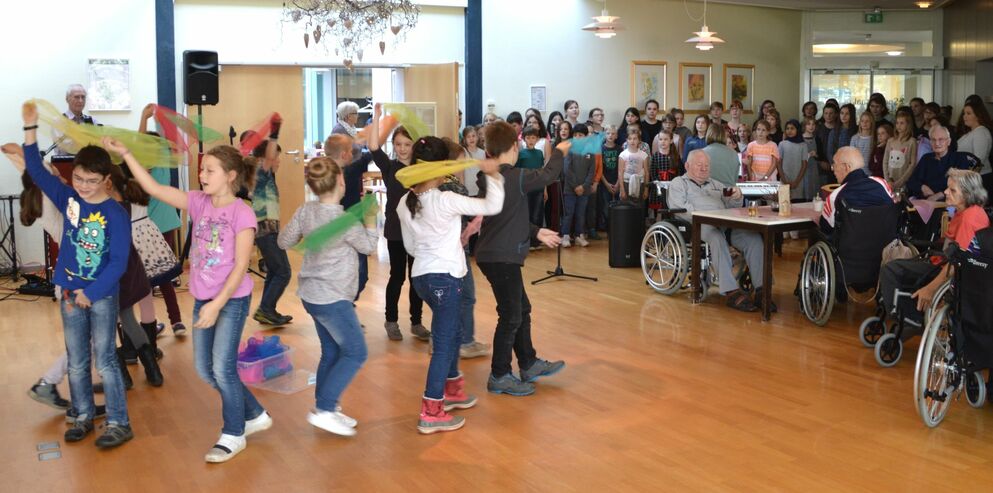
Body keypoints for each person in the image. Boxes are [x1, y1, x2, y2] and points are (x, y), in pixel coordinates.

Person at [120, 140, 272, 463]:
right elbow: (154, 188)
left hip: (231, 300)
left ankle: (234, 432)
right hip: (205, 300)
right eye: (202, 169)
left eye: (209, 170)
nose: (202, 175)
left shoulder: (241, 213)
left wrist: (217, 305)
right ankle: (255, 412)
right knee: (205, 370)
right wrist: (126, 154)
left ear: (230, 175)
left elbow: (241, 265)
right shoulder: (199, 202)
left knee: (223, 367)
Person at [22, 103, 133, 448]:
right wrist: (30, 130)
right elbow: (37, 173)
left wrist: (94, 290)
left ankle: (118, 421)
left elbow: (119, 262)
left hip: (99, 295)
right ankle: (83, 415)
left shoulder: (114, 213)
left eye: (92, 181)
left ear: (106, 180)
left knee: (106, 359)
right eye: (79, 178)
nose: (83, 186)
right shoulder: (69, 199)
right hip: (70, 292)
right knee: (78, 361)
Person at [398, 136, 505, 434]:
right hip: (445, 278)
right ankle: (432, 410)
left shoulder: (404, 202)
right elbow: (492, 205)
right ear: (440, 167)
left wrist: (446, 244)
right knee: (444, 344)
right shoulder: (444, 199)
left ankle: (454, 391)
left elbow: (411, 247)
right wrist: (493, 174)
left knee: (453, 331)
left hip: (422, 278)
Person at [277, 155, 376, 437]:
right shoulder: (344, 220)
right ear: (342, 182)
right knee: (356, 352)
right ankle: (325, 408)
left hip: (313, 296)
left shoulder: (306, 211)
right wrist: (370, 220)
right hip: (333, 299)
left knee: (332, 351)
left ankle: (328, 407)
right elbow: (369, 247)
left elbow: (284, 241)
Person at [476, 121, 569, 397]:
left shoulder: (493, 179)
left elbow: (507, 218)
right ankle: (500, 374)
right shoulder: (514, 177)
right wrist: (559, 151)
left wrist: (536, 231)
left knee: (521, 309)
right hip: (502, 257)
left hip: (495, 255)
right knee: (511, 315)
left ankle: (528, 363)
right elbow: (547, 175)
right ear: (514, 147)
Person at [878, 169, 989, 324]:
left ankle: (910, 318)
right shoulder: (967, 211)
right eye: (947, 187)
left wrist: (930, 289)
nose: (945, 192)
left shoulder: (969, 219)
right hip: (944, 261)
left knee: (891, 269)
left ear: (967, 194)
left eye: (952, 190)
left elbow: (957, 263)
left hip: (951, 270)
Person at [667, 150, 768, 312]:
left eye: (706, 166)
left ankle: (762, 290)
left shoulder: (717, 185)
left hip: (726, 224)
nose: (703, 169)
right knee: (716, 238)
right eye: (699, 165)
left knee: (753, 238)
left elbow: (733, 207)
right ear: (687, 165)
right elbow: (679, 208)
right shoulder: (679, 183)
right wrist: (704, 216)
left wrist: (737, 198)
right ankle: (731, 291)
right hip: (698, 226)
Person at [370, 123, 428, 342]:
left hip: (417, 231)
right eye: (398, 144)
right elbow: (374, 147)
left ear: (413, 145)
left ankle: (416, 322)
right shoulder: (389, 167)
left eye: (407, 144)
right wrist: (376, 117)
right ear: (393, 145)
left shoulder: (421, 168)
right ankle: (391, 320)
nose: (402, 148)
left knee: (417, 278)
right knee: (397, 276)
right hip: (396, 231)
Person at [137, 104, 186, 336]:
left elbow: (140, 147)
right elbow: (161, 141)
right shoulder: (163, 156)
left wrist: (144, 119)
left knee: (149, 277)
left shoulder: (149, 161)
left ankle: (153, 323)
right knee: (164, 276)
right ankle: (175, 321)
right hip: (164, 223)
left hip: (153, 227)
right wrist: (156, 121)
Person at [249, 117, 293, 326]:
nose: (279, 160)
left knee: (275, 271)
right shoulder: (260, 171)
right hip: (266, 230)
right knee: (284, 272)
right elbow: (267, 157)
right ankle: (265, 309)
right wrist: (274, 132)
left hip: (267, 229)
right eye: (276, 156)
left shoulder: (263, 175)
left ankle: (267, 310)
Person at [332, 102, 376, 303]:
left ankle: (346, 304)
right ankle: (345, 304)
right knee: (357, 267)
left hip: (352, 191)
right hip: (348, 206)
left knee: (358, 269)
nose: (356, 117)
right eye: (354, 114)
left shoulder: (348, 130)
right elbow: (361, 152)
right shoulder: (340, 131)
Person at [819, 147, 894, 237]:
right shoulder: (882, 183)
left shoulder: (835, 195)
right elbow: (892, 208)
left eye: (834, 164)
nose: (832, 168)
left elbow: (825, 227)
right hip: (884, 246)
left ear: (846, 167)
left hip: (851, 249)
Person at [907, 125, 975, 200]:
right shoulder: (926, 158)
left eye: (941, 139)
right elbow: (911, 181)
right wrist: (922, 187)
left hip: (949, 205)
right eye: (933, 140)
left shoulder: (959, 159)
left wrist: (940, 194)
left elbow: (963, 186)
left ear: (948, 142)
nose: (937, 143)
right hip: (925, 202)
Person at [561, 124, 595, 248]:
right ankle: (565, 236)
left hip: (584, 190)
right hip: (570, 189)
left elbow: (591, 171)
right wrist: (576, 186)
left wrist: (584, 186)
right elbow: (567, 170)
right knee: (569, 213)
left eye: (580, 135)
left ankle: (579, 235)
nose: (577, 137)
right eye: (575, 135)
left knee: (581, 213)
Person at [956, 100, 993, 193]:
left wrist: (967, 183)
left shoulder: (981, 132)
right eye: (964, 113)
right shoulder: (972, 132)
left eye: (969, 113)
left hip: (978, 180)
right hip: (969, 178)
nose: (964, 116)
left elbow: (978, 161)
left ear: (978, 115)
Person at [882, 113, 919, 192]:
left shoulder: (912, 142)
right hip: (889, 181)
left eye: (902, 123)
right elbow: (885, 161)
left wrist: (900, 182)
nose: (899, 126)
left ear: (908, 124)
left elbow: (912, 164)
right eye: (897, 123)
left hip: (903, 182)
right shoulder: (890, 141)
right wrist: (887, 180)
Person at [779, 119, 808, 201]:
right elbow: (779, 163)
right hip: (785, 178)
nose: (789, 131)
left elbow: (804, 164)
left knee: (797, 205)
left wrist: (797, 181)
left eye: (792, 128)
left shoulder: (803, 145)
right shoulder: (782, 144)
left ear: (797, 130)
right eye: (787, 128)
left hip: (798, 180)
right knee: (784, 202)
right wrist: (784, 179)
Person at [619, 127, 649, 203]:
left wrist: (646, 189)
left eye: (635, 138)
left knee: (639, 208)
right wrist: (622, 189)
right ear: (626, 140)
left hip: (640, 183)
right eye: (630, 139)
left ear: (639, 140)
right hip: (626, 183)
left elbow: (646, 172)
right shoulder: (623, 155)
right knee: (627, 209)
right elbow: (620, 173)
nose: (632, 141)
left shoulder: (644, 155)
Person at [703, 124, 738, 188]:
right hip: (729, 192)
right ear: (724, 135)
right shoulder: (734, 153)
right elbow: (736, 178)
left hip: (708, 192)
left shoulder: (701, 153)